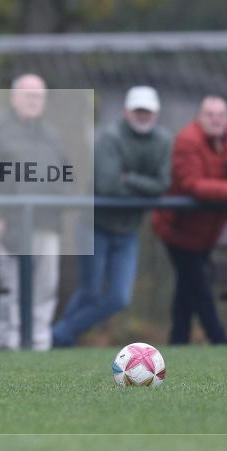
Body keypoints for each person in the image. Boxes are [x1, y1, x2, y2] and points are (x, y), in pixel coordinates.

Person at [52, 86, 172, 347]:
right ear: (127, 112)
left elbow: (162, 184)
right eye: (138, 110)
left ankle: (58, 335)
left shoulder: (163, 141)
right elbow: (108, 185)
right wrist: (145, 186)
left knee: (119, 298)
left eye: (147, 111)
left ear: (156, 113)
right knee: (91, 292)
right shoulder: (111, 137)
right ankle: (60, 339)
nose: (143, 115)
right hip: (95, 225)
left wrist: (130, 179)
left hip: (127, 230)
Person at [152, 96, 227, 345]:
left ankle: (178, 341)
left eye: (221, 115)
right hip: (177, 228)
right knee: (199, 286)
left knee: (187, 288)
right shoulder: (187, 140)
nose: (216, 119)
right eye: (209, 114)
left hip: (209, 232)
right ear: (199, 117)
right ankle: (220, 340)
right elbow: (192, 185)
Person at [0, 74, 68, 351]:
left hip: (47, 222)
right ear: (14, 97)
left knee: (46, 285)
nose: (34, 101)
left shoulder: (51, 134)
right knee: (13, 284)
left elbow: (64, 173)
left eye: (39, 96)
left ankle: (40, 341)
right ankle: (11, 340)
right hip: (13, 223)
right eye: (28, 95)